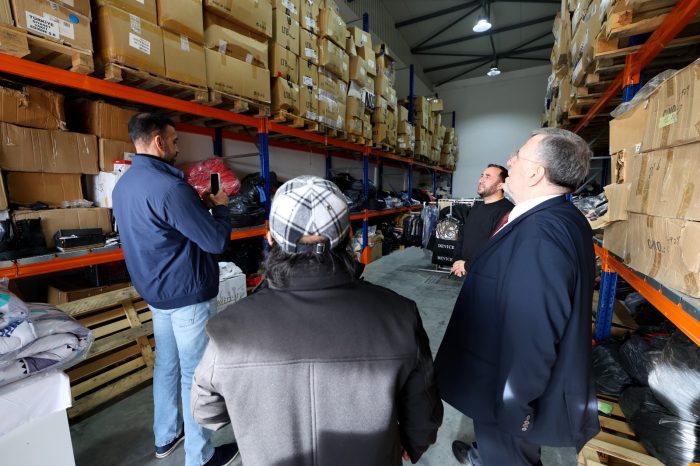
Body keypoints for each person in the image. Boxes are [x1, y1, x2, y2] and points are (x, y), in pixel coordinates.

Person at [191, 175, 443, 466]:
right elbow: (424, 413)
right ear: (349, 236)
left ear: (270, 239)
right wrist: (412, 442)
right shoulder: (400, 315)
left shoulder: (229, 329)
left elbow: (207, 412)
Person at [435, 128, 600, 466]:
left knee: (508, 455)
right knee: (497, 447)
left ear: (536, 173)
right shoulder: (555, 216)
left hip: (507, 390)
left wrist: (516, 406)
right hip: (498, 377)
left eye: (518, 155)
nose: (510, 161)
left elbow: (534, 333)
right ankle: (484, 454)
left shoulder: (540, 235)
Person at [112, 113, 238, 466]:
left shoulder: (124, 185)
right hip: (187, 296)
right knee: (194, 376)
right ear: (158, 141)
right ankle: (200, 457)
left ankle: (166, 436)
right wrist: (221, 210)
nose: (177, 147)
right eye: (175, 140)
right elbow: (215, 242)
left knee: (167, 366)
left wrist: (199, 209)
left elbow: (163, 231)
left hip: (156, 294)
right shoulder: (170, 188)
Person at [451, 164, 513, 277]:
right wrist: (457, 260)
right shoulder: (477, 206)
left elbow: (497, 249)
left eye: (487, 177)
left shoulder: (507, 211)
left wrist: (467, 266)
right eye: (482, 176)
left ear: (500, 185)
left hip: (487, 275)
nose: (480, 180)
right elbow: (463, 235)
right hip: (467, 271)